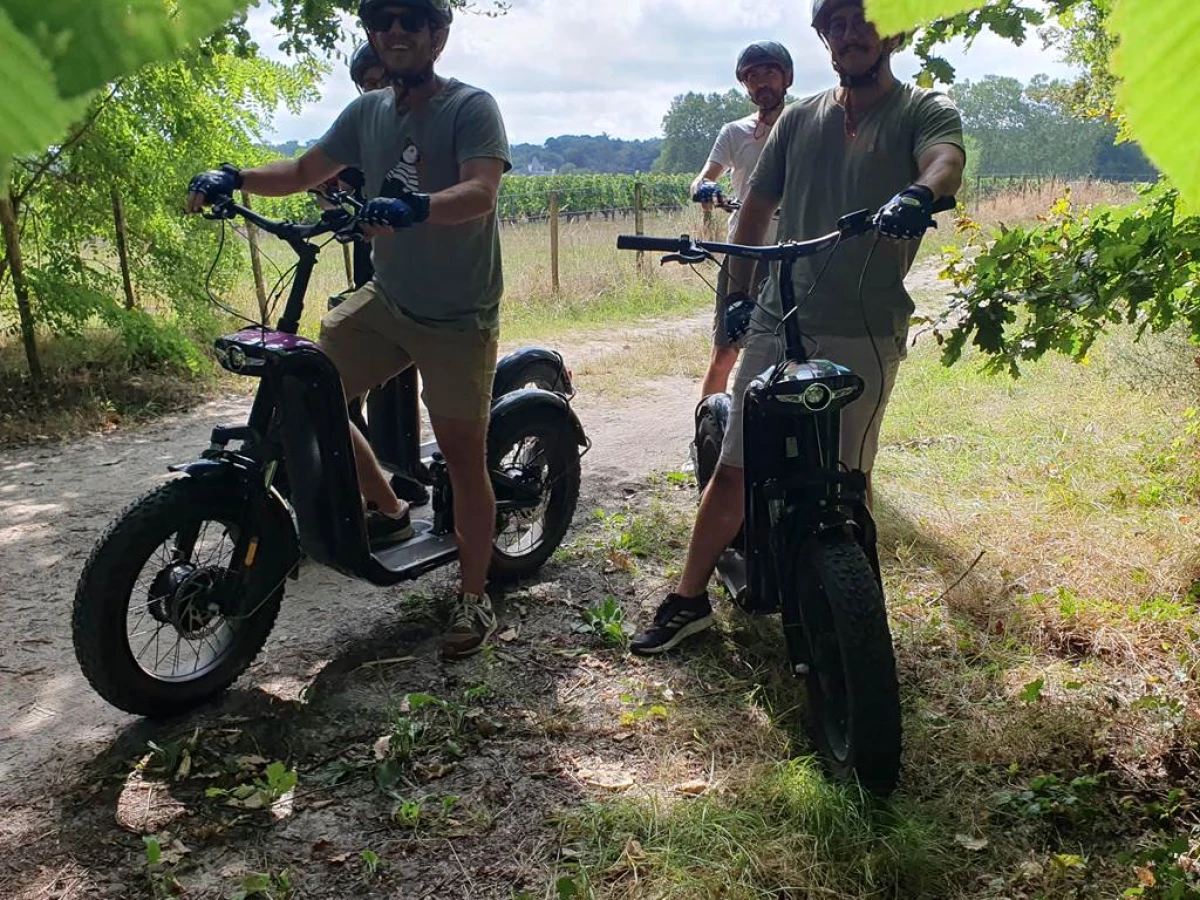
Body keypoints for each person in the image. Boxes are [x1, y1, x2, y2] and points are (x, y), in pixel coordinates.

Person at [631, 0, 966, 655]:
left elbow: (944, 159)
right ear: (823, 38)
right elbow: (753, 211)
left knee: (848, 479)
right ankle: (688, 598)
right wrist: (738, 298)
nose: (850, 33)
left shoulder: (922, 109)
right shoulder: (799, 119)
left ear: (893, 29)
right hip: (780, 318)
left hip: (864, 325)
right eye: (835, 24)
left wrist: (919, 194)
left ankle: (859, 623)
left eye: (864, 19)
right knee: (735, 466)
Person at [186, 0, 512, 659]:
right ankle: (388, 510)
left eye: (411, 20)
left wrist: (416, 205)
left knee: (462, 460)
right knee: (305, 391)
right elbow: (305, 172)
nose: (395, 31)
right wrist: (235, 176)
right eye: (382, 20)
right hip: (388, 301)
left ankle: (475, 601)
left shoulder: (471, 107)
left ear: (437, 35)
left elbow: (481, 192)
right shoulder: (367, 112)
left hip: (457, 317)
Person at [691, 41, 793, 399]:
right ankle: (705, 441)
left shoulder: (805, 125)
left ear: (787, 77)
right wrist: (706, 190)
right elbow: (704, 177)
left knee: (794, 351)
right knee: (725, 353)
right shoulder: (734, 132)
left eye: (769, 72)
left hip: (794, 253)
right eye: (752, 76)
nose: (761, 82)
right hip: (743, 255)